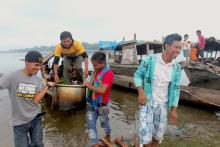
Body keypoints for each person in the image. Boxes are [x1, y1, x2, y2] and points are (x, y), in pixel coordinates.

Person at [134, 34, 182, 147]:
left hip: (163, 104)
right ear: (167, 46)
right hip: (147, 102)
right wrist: (141, 93)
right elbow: (137, 75)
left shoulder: (177, 68)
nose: (179, 51)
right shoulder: (150, 60)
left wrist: (174, 109)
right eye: (176, 47)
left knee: (158, 133)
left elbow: (176, 90)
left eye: (180, 48)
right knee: (145, 134)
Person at [0, 50, 55, 147]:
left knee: (38, 144)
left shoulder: (37, 80)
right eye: (36, 65)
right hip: (19, 123)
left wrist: (47, 86)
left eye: (40, 66)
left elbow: (35, 100)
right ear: (26, 62)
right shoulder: (12, 76)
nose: (38, 68)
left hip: (35, 119)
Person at [83, 52, 114, 147]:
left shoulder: (108, 73)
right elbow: (93, 84)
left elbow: (102, 91)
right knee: (90, 125)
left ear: (103, 63)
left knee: (104, 123)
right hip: (91, 104)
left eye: (95, 65)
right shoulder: (95, 71)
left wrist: (88, 86)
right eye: (93, 65)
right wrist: (89, 83)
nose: (94, 67)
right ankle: (94, 143)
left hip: (102, 105)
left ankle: (108, 135)